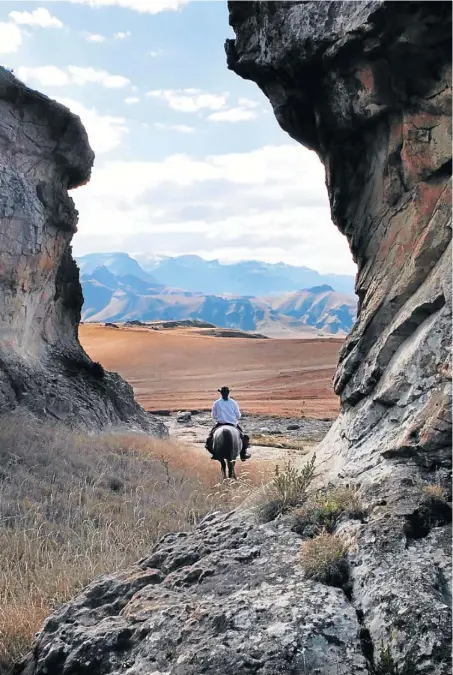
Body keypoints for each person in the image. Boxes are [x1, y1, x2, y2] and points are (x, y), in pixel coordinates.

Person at [205, 386, 251, 461]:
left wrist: (219, 416)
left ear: (221, 393)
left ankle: (214, 454)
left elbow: (213, 416)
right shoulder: (234, 403)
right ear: (228, 393)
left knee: (210, 438)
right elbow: (238, 415)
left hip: (220, 424)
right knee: (244, 437)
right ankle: (243, 453)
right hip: (233, 424)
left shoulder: (216, 403)